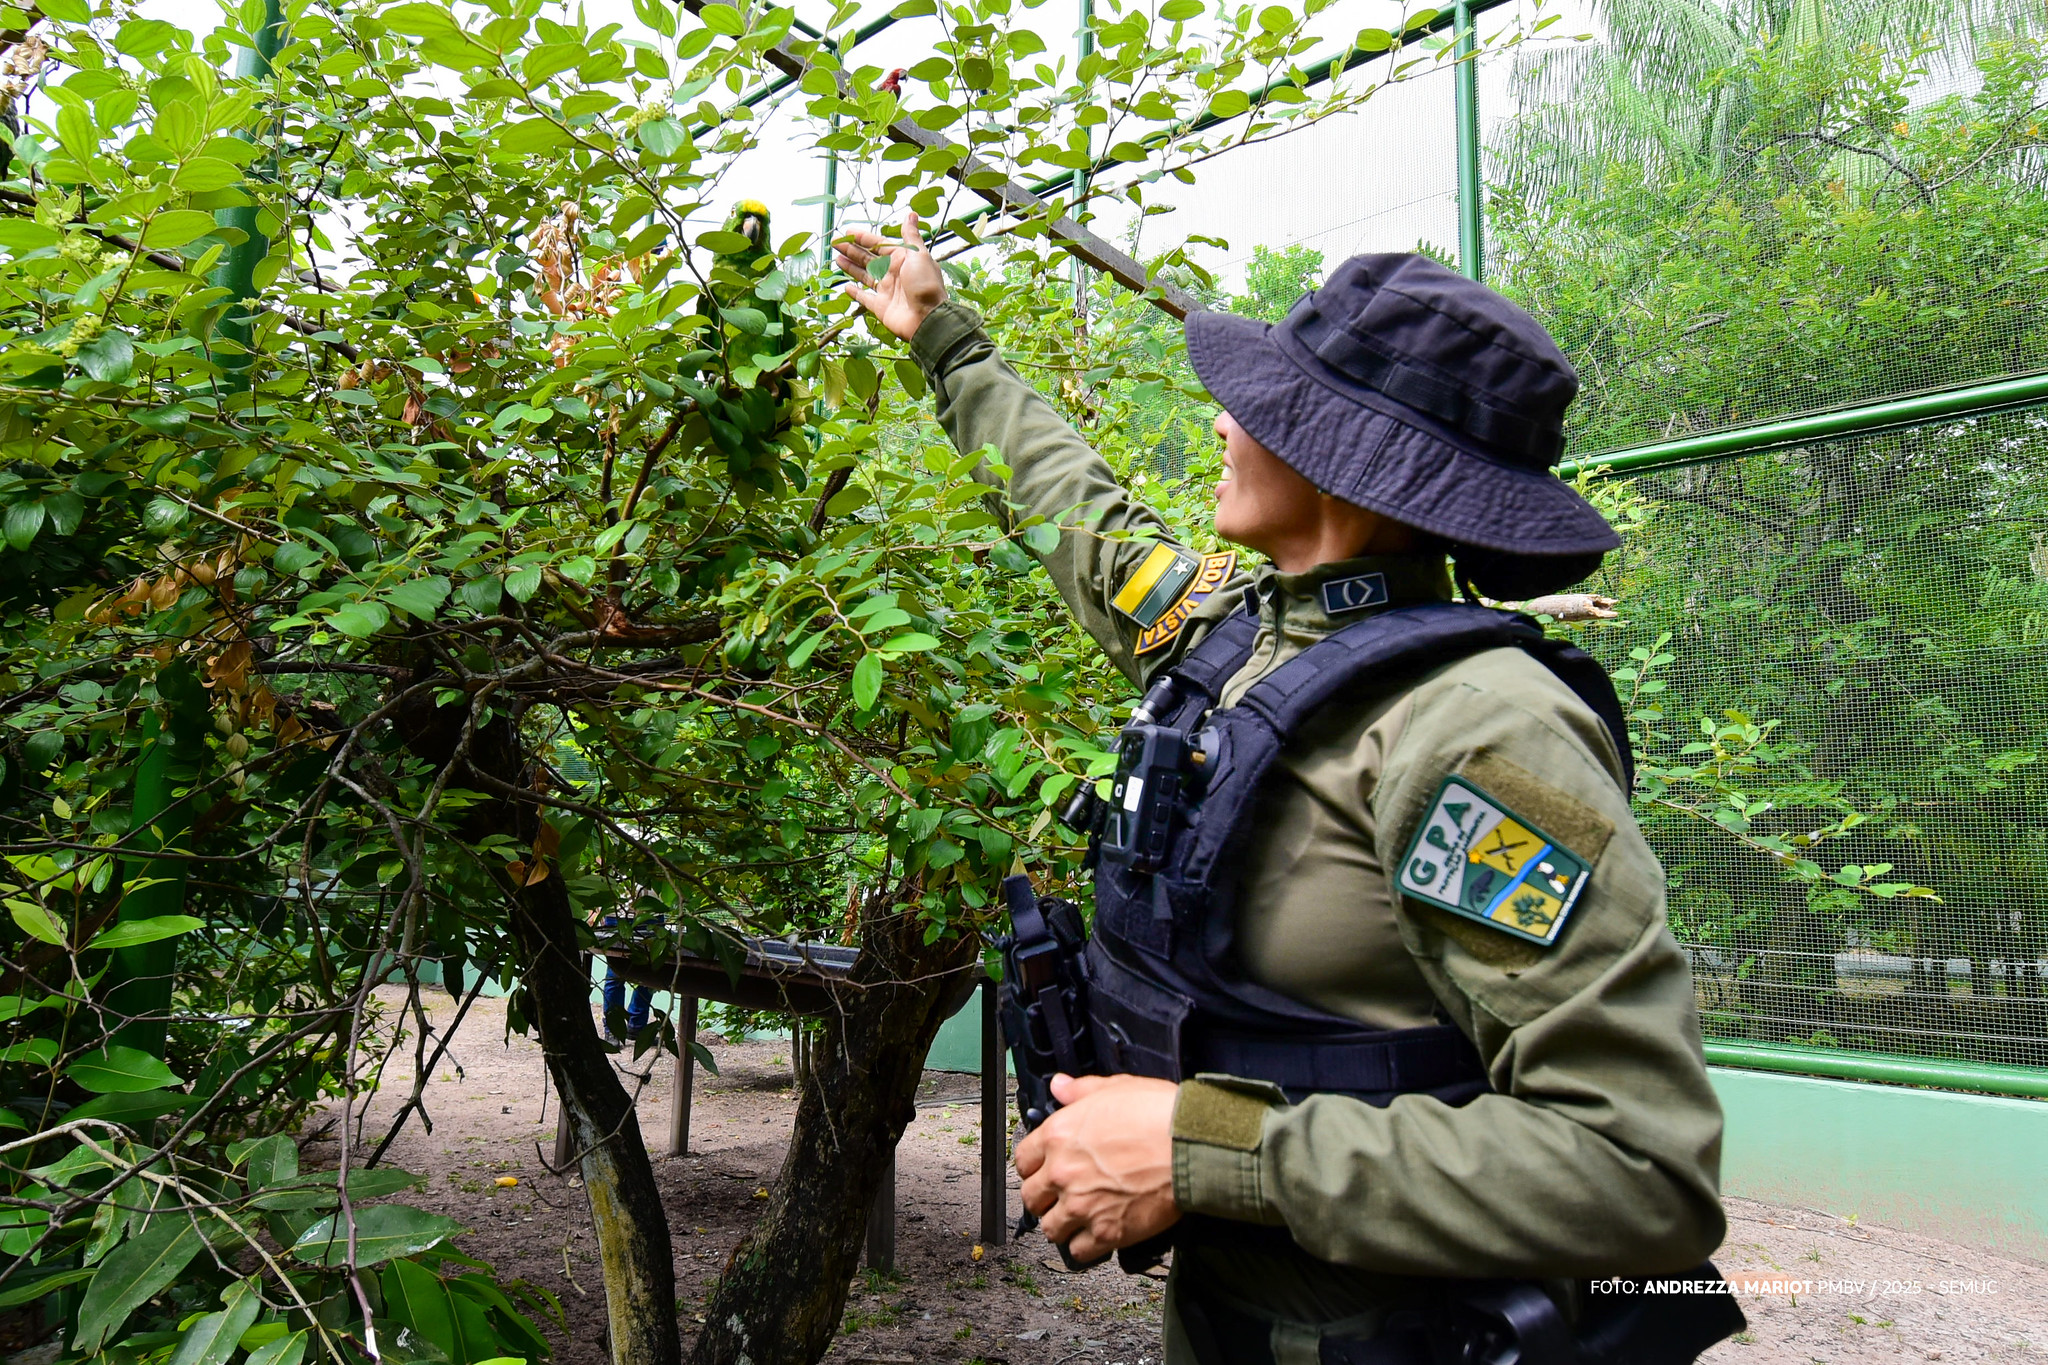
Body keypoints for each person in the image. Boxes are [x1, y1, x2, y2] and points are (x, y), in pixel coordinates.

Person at [833, 218, 1730, 1364]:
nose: (1219, 417)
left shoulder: (1477, 735)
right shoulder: (1243, 642)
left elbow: (1634, 1169)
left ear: (1335, 452)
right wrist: (947, 344)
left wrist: (1197, 1147)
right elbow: (1087, 526)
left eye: (1255, 402)